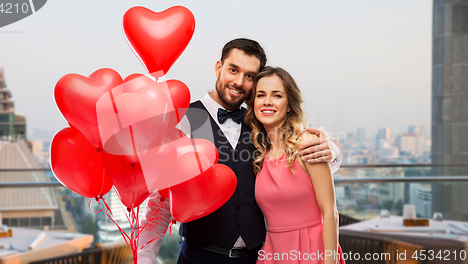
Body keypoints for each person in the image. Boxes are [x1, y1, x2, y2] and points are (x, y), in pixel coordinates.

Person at [137, 38, 342, 264]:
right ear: (218, 68)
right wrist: (145, 257)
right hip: (199, 256)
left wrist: (331, 151)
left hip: (256, 258)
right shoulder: (186, 121)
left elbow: (295, 158)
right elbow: (161, 202)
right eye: (233, 70)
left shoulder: (260, 123)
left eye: (249, 76)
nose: (238, 81)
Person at [245, 66, 344, 264]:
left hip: (312, 251)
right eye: (261, 95)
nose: (267, 102)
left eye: (277, 95)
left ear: (289, 104)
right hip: (273, 253)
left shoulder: (307, 144)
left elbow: (330, 212)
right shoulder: (259, 155)